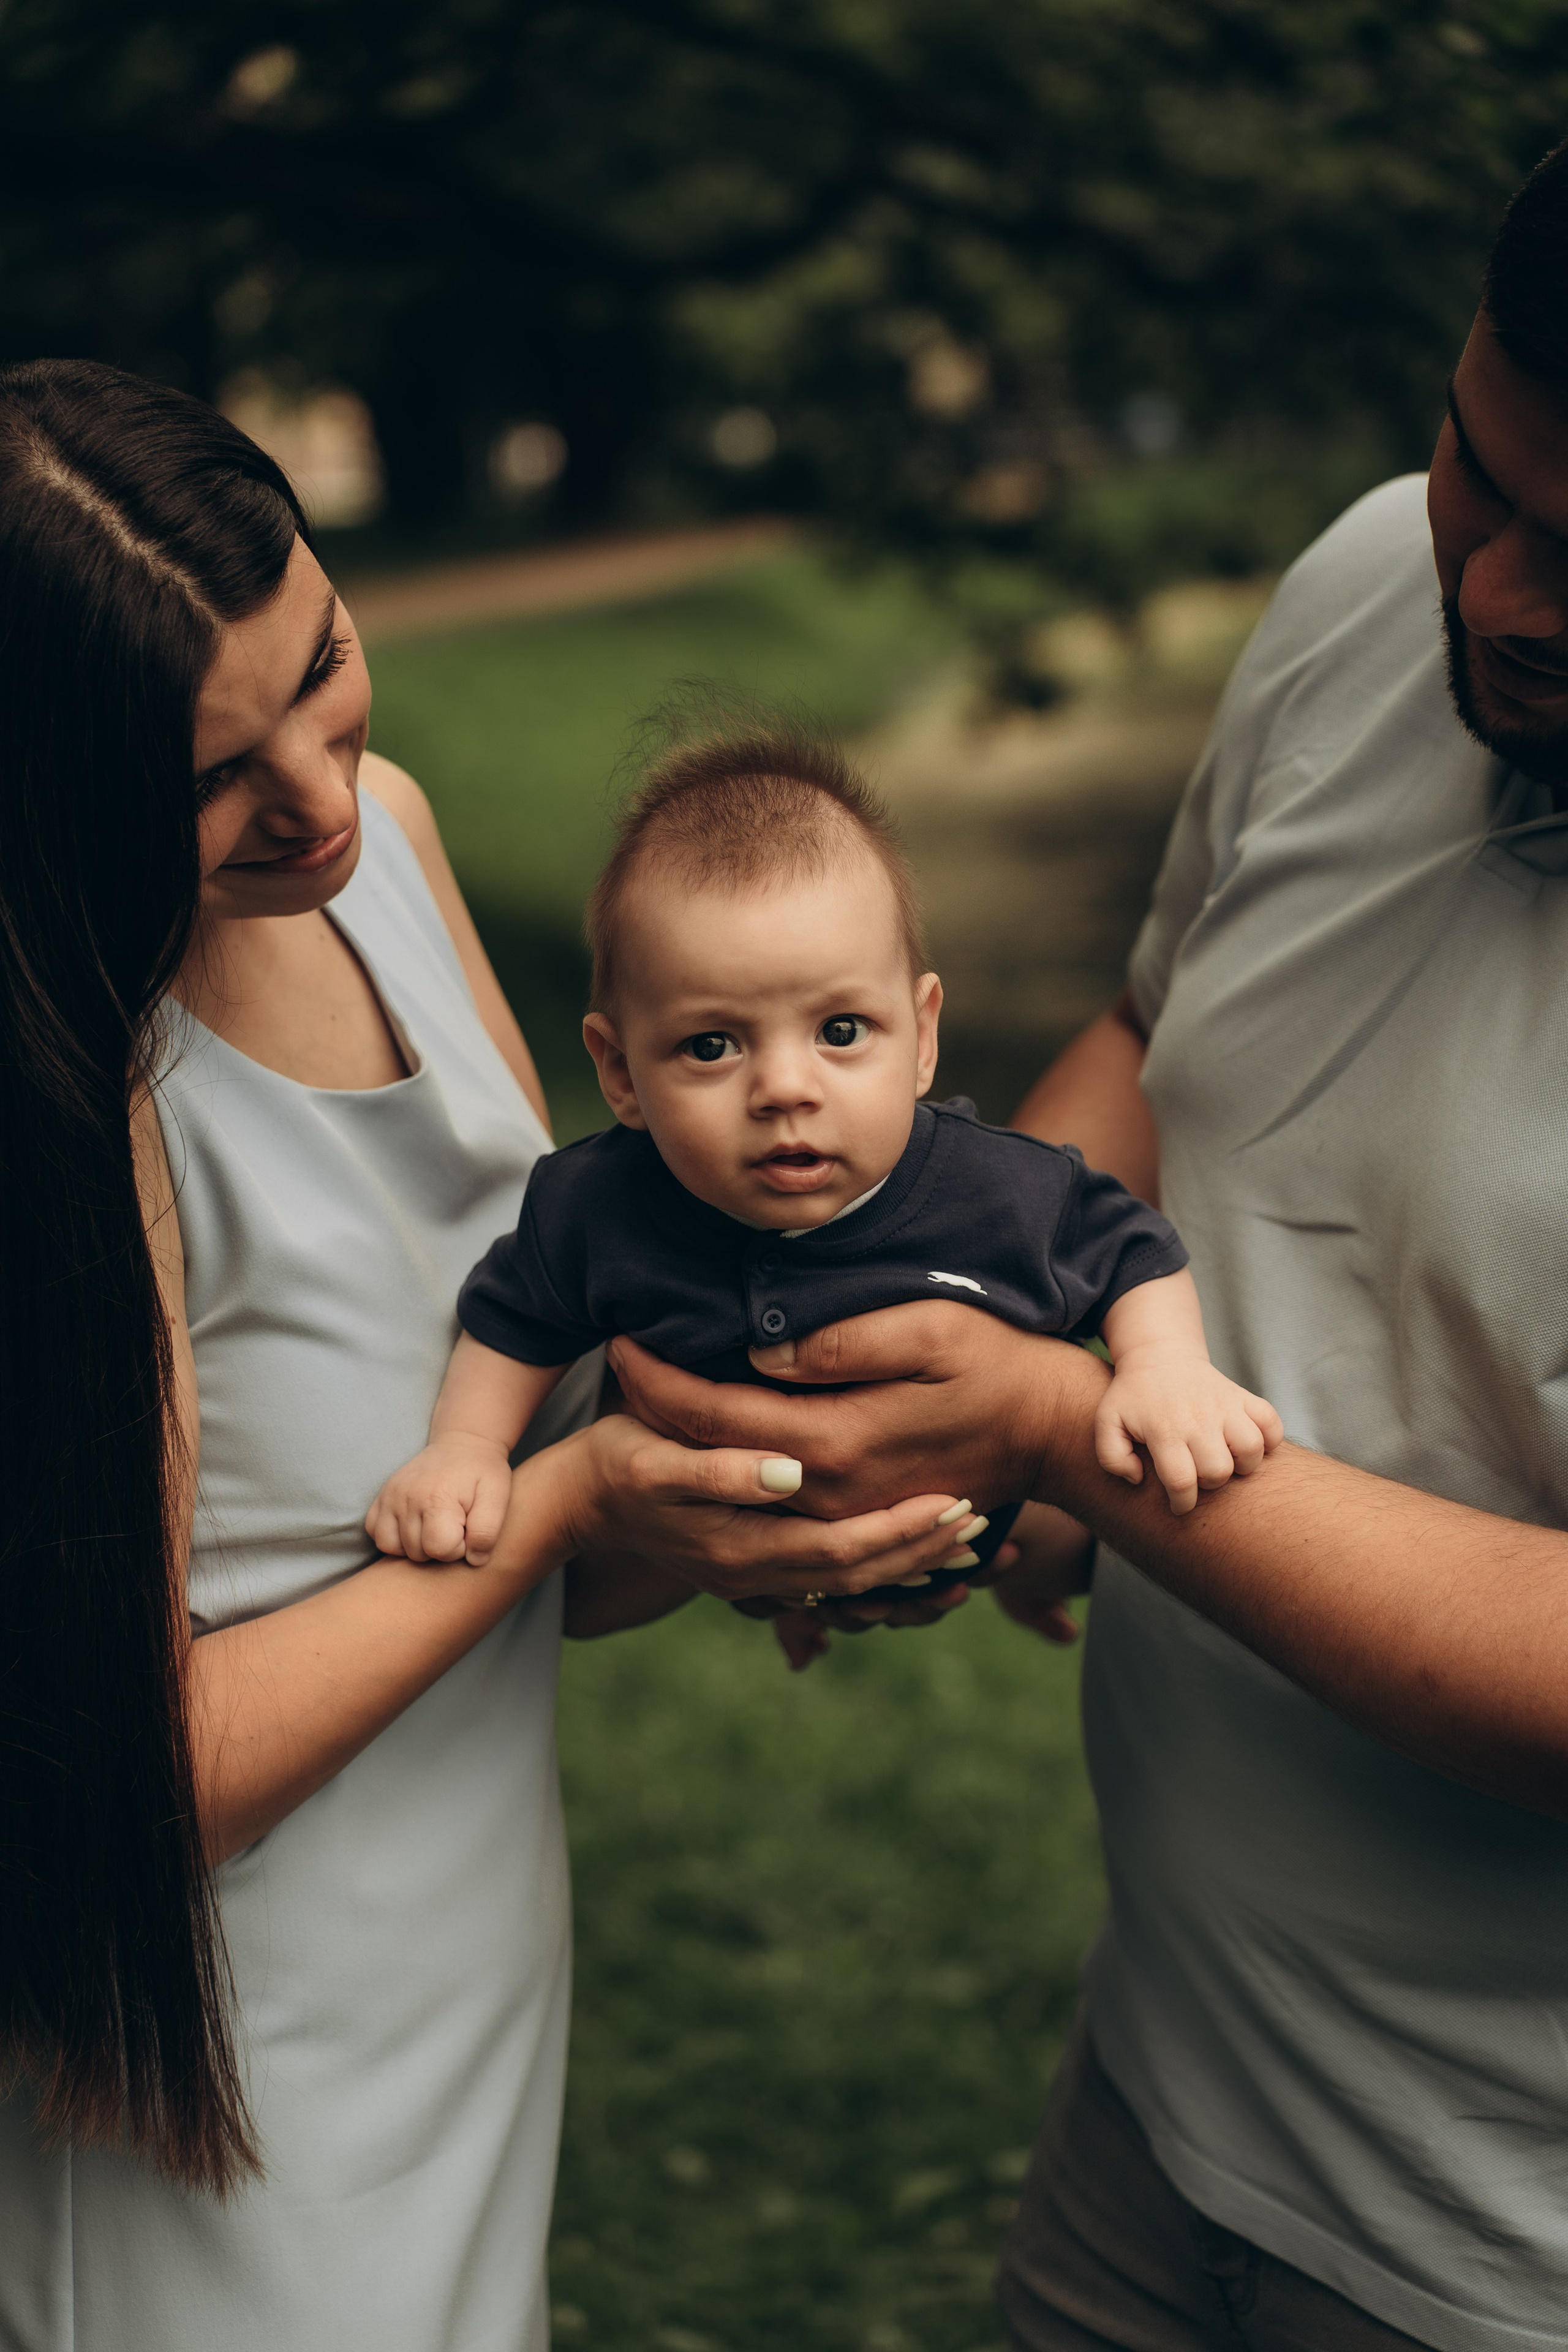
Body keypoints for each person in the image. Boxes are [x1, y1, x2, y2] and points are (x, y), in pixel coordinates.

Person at [606, 142, 1568, 2351]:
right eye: (1478, 471)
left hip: (1497, 2249)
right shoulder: (1366, 593)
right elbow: (1171, 1018)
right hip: (1169, 2076)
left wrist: (1070, 1427)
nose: (1500, 598)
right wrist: (920, 1357)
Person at [0, 358, 970, 2352]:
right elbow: (122, 1782)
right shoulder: (69, 1089)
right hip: (203, 2060)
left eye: (326, 664)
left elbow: (548, 1417)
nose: (318, 797)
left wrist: (747, 1510)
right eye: (207, 776)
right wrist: (560, 1516)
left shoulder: (391, 848)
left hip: (461, 1954)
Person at [369, 733, 1281, 1599]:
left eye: (841, 1032)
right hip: (740, 1555)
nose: (783, 1089)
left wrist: (1163, 1367)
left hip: (975, 1529)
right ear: (620, 1072)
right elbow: (513, 1315)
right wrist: (466, 1448)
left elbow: (1134, 1252)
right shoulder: (595, 1205)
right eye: (712, 1045)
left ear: (922, 1036)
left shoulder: (1000, 1191)